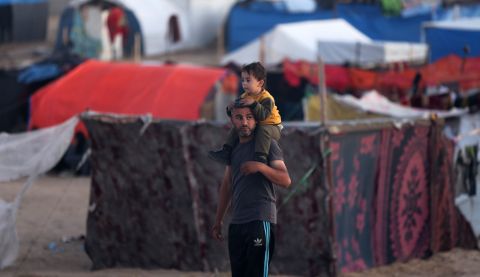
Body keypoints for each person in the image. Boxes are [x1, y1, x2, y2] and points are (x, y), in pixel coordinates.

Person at [211, 103, 291, 277]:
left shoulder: (267, 145)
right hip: (237, 223)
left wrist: (261, 167)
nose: (244, 122)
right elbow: (227, 185)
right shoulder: (232, 149)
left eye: (249, 117)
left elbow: (285, 180)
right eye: (239, 118)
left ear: (256, 120)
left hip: (260, 220)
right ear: (232, 120)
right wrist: (218, 220)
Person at [209, 61, 282, 165]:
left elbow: (263, 116)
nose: (244, 84)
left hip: (272, 127)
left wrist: (254, 104)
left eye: (248, 80)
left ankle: (260, 157)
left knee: (263, 129)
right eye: (243, 80)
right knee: (237, 126)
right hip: (255, 125)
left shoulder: (267, 98)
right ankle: (226, 151)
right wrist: (231, 109)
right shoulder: (244, 96)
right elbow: (237, 115)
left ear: (260, 83)